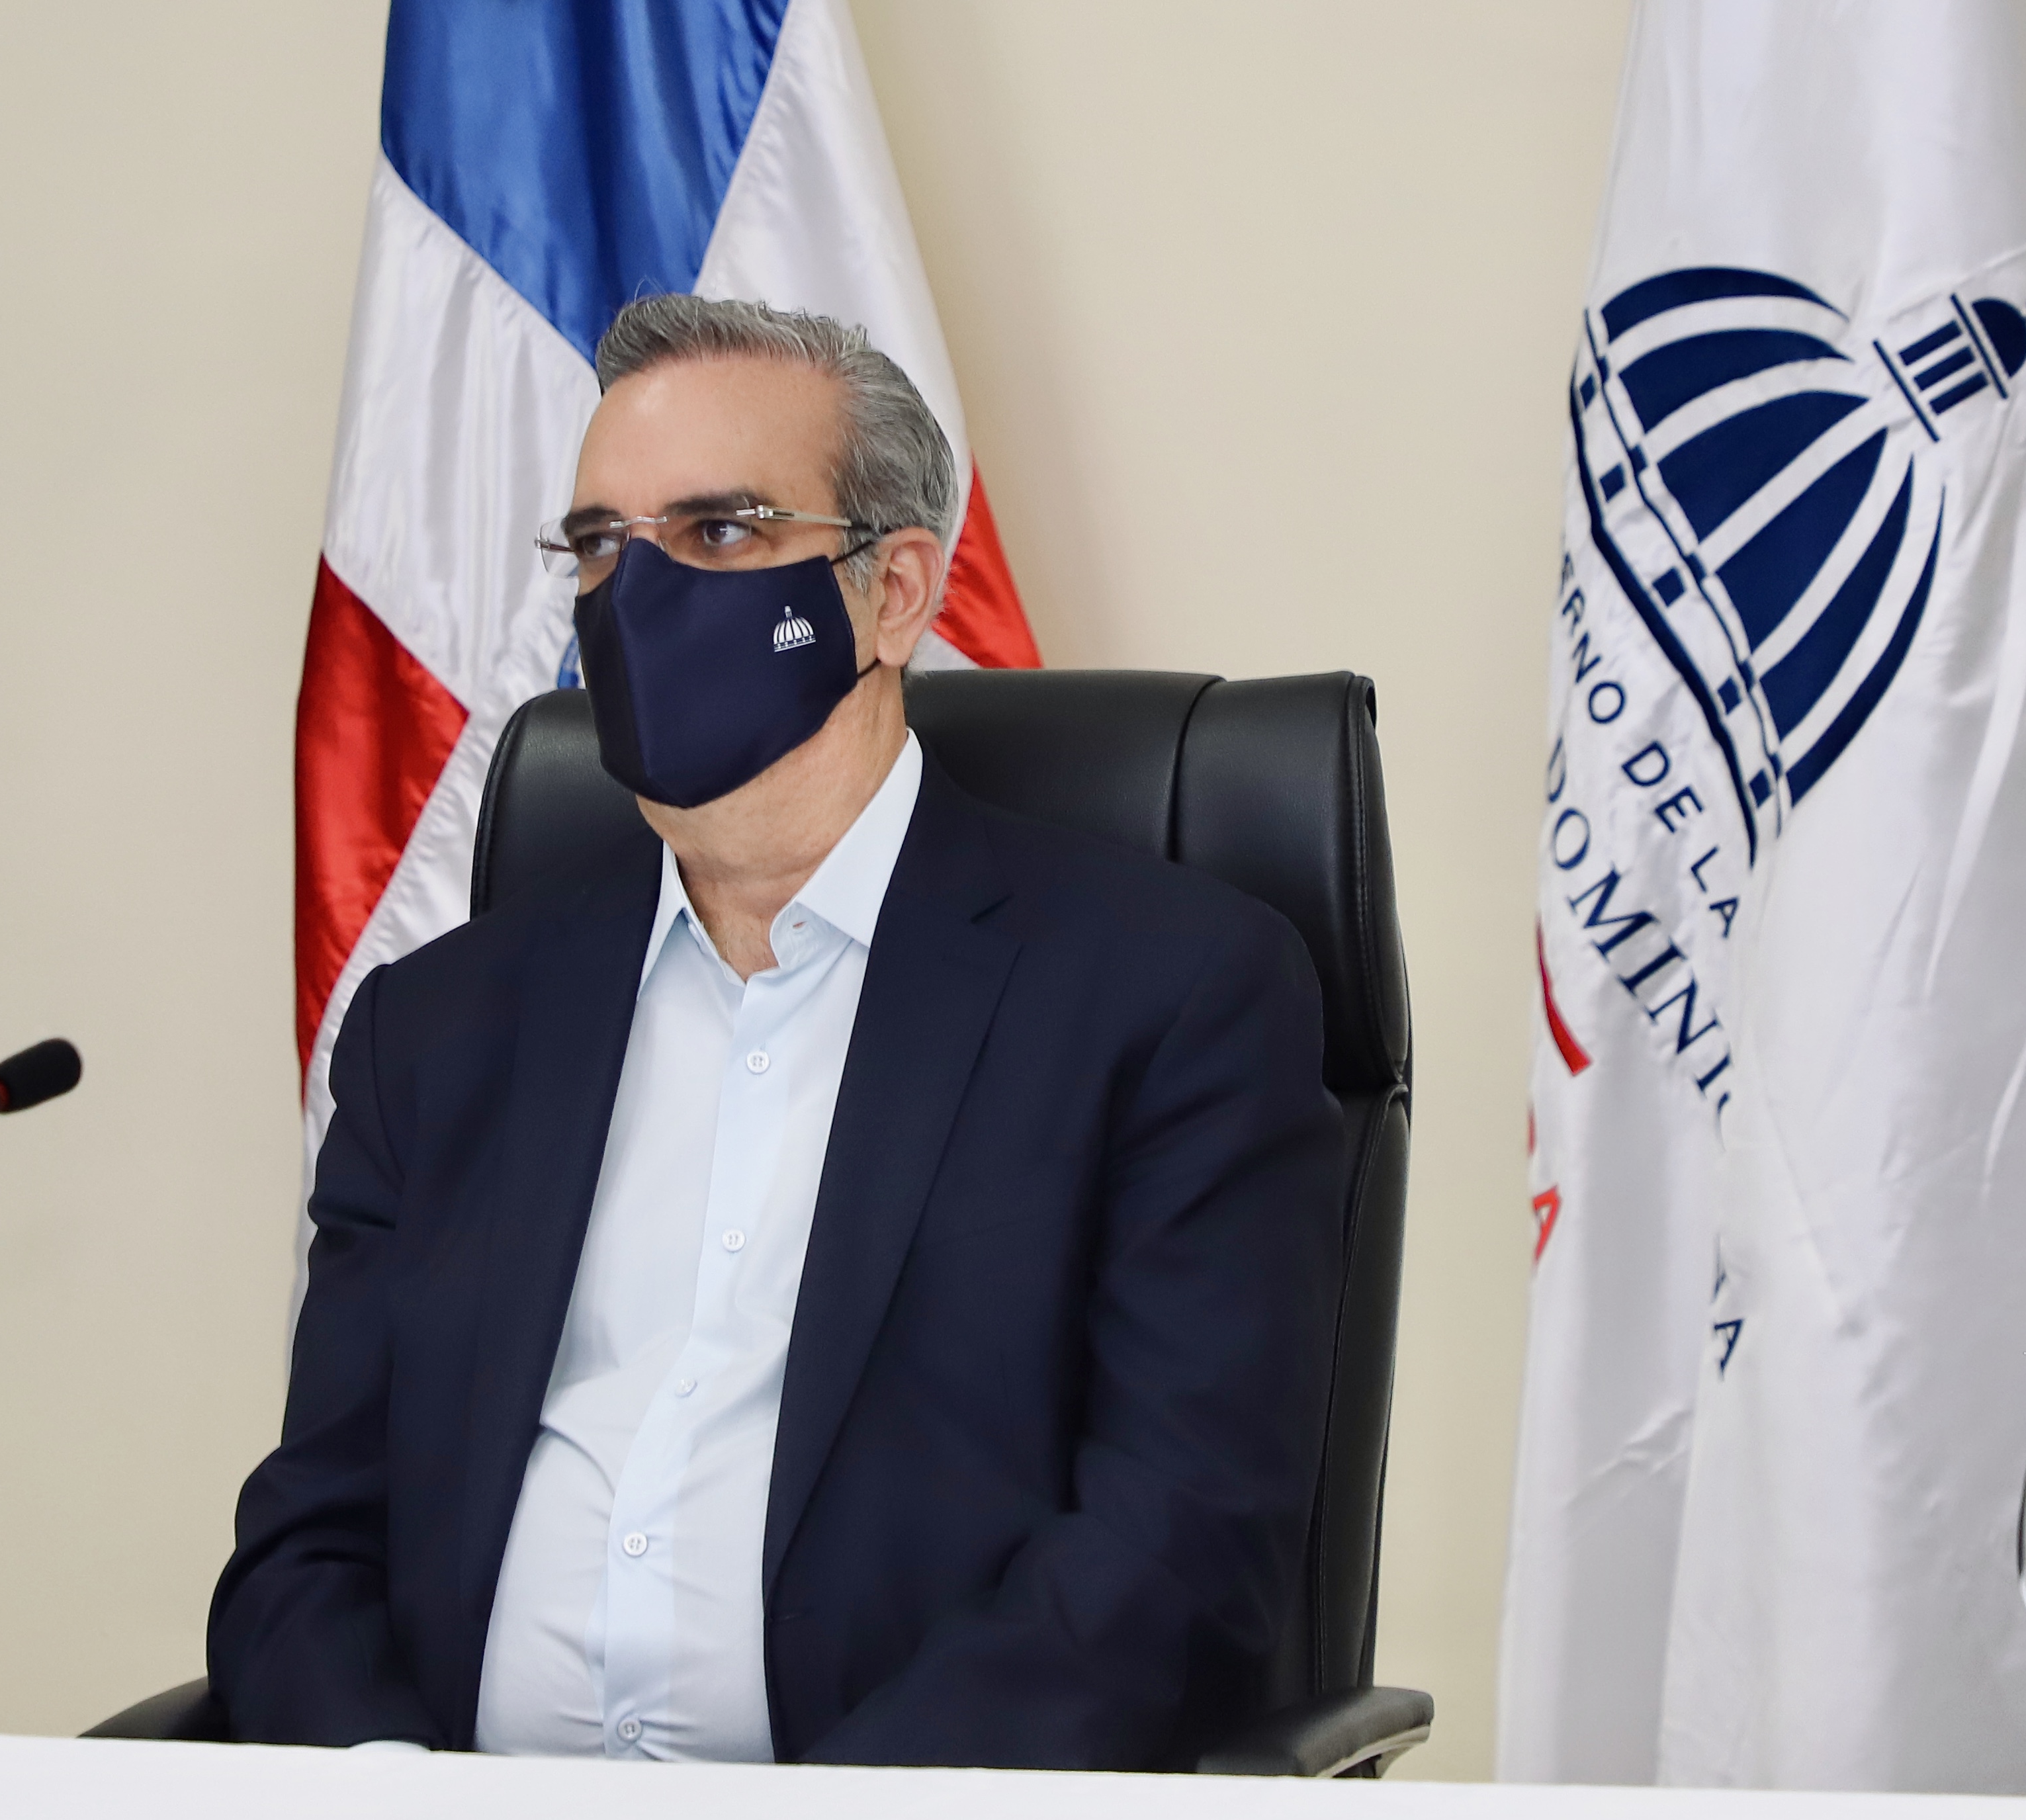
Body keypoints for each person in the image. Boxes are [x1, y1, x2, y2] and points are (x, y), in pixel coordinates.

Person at [207, 294, 1347, 1770]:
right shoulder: (437, 1032)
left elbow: (1174, 1556)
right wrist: (382, 1789)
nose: (639, 594)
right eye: (601, 545)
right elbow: (306, 1545)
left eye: (721, 530)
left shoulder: (1164, 995)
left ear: (892, 593)